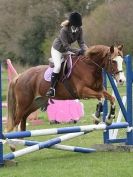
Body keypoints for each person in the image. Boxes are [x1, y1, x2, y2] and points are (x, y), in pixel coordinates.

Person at [46, 11, 88, 97]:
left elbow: (81, 42)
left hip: (66, 49)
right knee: (57, 66)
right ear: (72, 24)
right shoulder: (64, 30)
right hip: (57, 49)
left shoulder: (79, 29)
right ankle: (52, 89)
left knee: (75, 63)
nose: (77, 28)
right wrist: (78, 51)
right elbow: (66, 47)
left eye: (78, 26)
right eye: (76, 26)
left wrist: (87, 51)